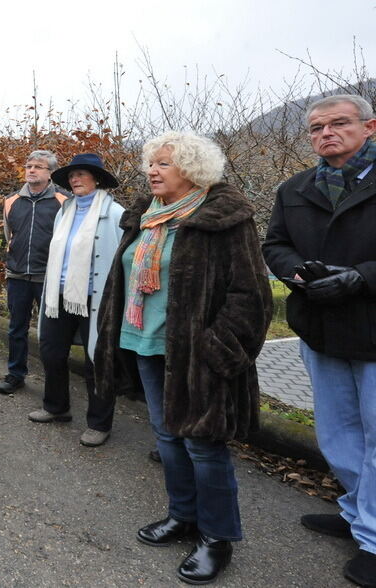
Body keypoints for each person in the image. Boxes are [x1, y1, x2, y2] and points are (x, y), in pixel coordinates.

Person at [95, 131, 271, 585]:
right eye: (150, 163)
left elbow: (251, 295)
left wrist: (219, 349)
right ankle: (183, 517)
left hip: (199, 354)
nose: (151, 171)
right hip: (146, 344)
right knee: (167, 436)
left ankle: (217, 538)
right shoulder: (148, 217)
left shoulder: (222, 219)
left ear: (192, 171)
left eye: (163, 164)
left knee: (203, 444)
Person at [263, 94, 376, 588]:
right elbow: (274, 243)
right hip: (320, 325)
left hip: (372, 325)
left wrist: (361, 278)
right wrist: (297, 274)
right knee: (337, 432)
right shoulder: (295, 187)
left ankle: (374, 539)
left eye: (338, 124)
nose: (326, 133)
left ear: (369, 126)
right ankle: (357, 513)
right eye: (316, 128)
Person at [32, 153, 123, 447]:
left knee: (97, 360)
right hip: (60, 295)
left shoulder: (115, 214)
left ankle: (99, 423)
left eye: (82, 174)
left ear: (96, 179)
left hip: (94, 297)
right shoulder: (65, 210)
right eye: (72, 175)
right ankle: (56, 407)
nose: (75, 179)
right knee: (51, 351)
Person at [0, 150, 67, 394]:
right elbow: (10, 236)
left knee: (51, 333)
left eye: (38, 166)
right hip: (17, 275)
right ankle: (15, 374)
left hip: (49, 278)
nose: (31, 170)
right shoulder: (11, 200)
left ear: (50, 173)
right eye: (28, 166)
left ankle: (54, 381)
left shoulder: (64, 201)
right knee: (16, 328)